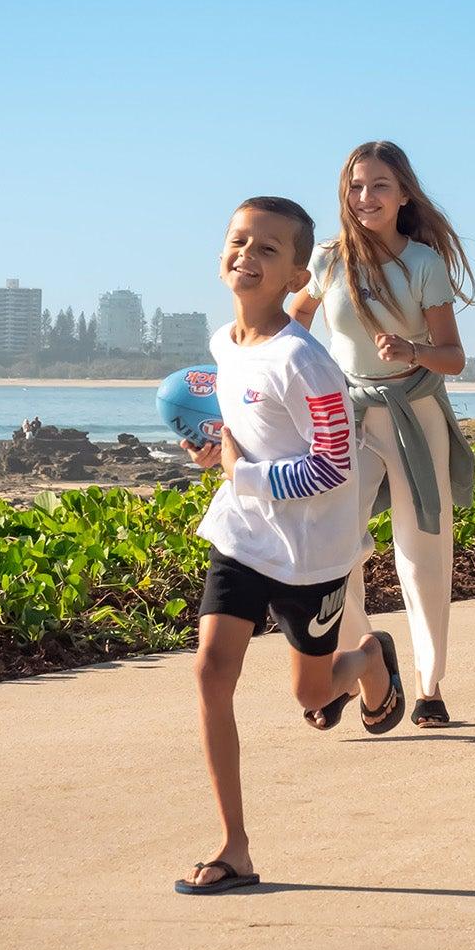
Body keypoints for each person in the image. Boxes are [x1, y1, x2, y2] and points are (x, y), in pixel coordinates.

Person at [175, 196, 406, 895]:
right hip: (242, 535)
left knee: (311, 696)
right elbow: (251, 429)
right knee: (211, 672)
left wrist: (242, 472)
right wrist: (215, 451)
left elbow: (335, 464)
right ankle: (235, 847)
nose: (247, 254)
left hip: (312, 552)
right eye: (238, 241)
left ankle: (368, 659)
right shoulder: (224, 345)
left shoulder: (308, 364)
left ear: (295, 273)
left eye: (267, 248)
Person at [290, 141, 475, 728]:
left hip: (413, 413)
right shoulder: (328, 260)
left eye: (379, 187)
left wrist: (413, 349)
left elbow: (453, 357)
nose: (365, 198)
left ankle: (430, 685)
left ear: (403, 195)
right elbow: (293, 320)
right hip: (346, 416)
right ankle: (361, 659)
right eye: (356, 187)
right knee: (328, 547)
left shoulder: (422, 264)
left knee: (423, 552)